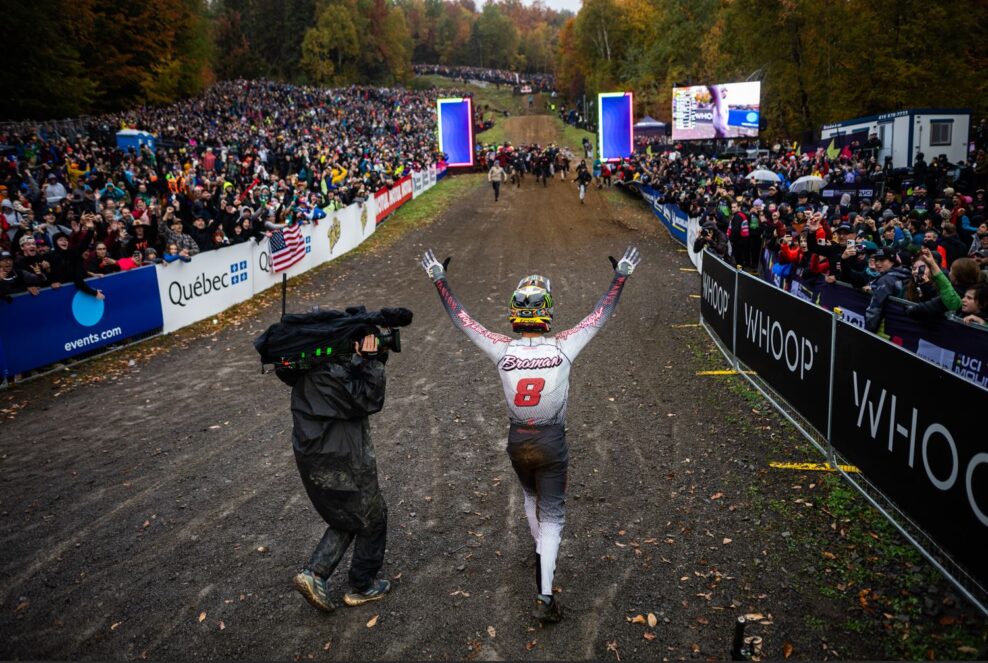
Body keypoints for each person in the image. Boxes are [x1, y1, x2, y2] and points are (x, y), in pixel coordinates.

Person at [420, 245, 641, 624]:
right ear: (547, 314)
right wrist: (619, 277)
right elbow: (600, 316)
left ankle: (540, 552)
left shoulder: (500, 348)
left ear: (514, 315)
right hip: (552, 439)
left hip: (517, 439)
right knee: (554, 515)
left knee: (528, 495)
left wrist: (440, 280)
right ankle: (545, 591)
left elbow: (462, 320)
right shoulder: (564, 345)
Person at [284, 333, 392, 613]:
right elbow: (370, 398)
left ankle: (314, 574)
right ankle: (363, 585)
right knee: (373, 515)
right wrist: (371, 361)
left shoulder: (307, 374)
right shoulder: (332, 376)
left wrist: (358, 360)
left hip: (316, 458)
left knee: (350, 515)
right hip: (341, 459)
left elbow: (343, 382)